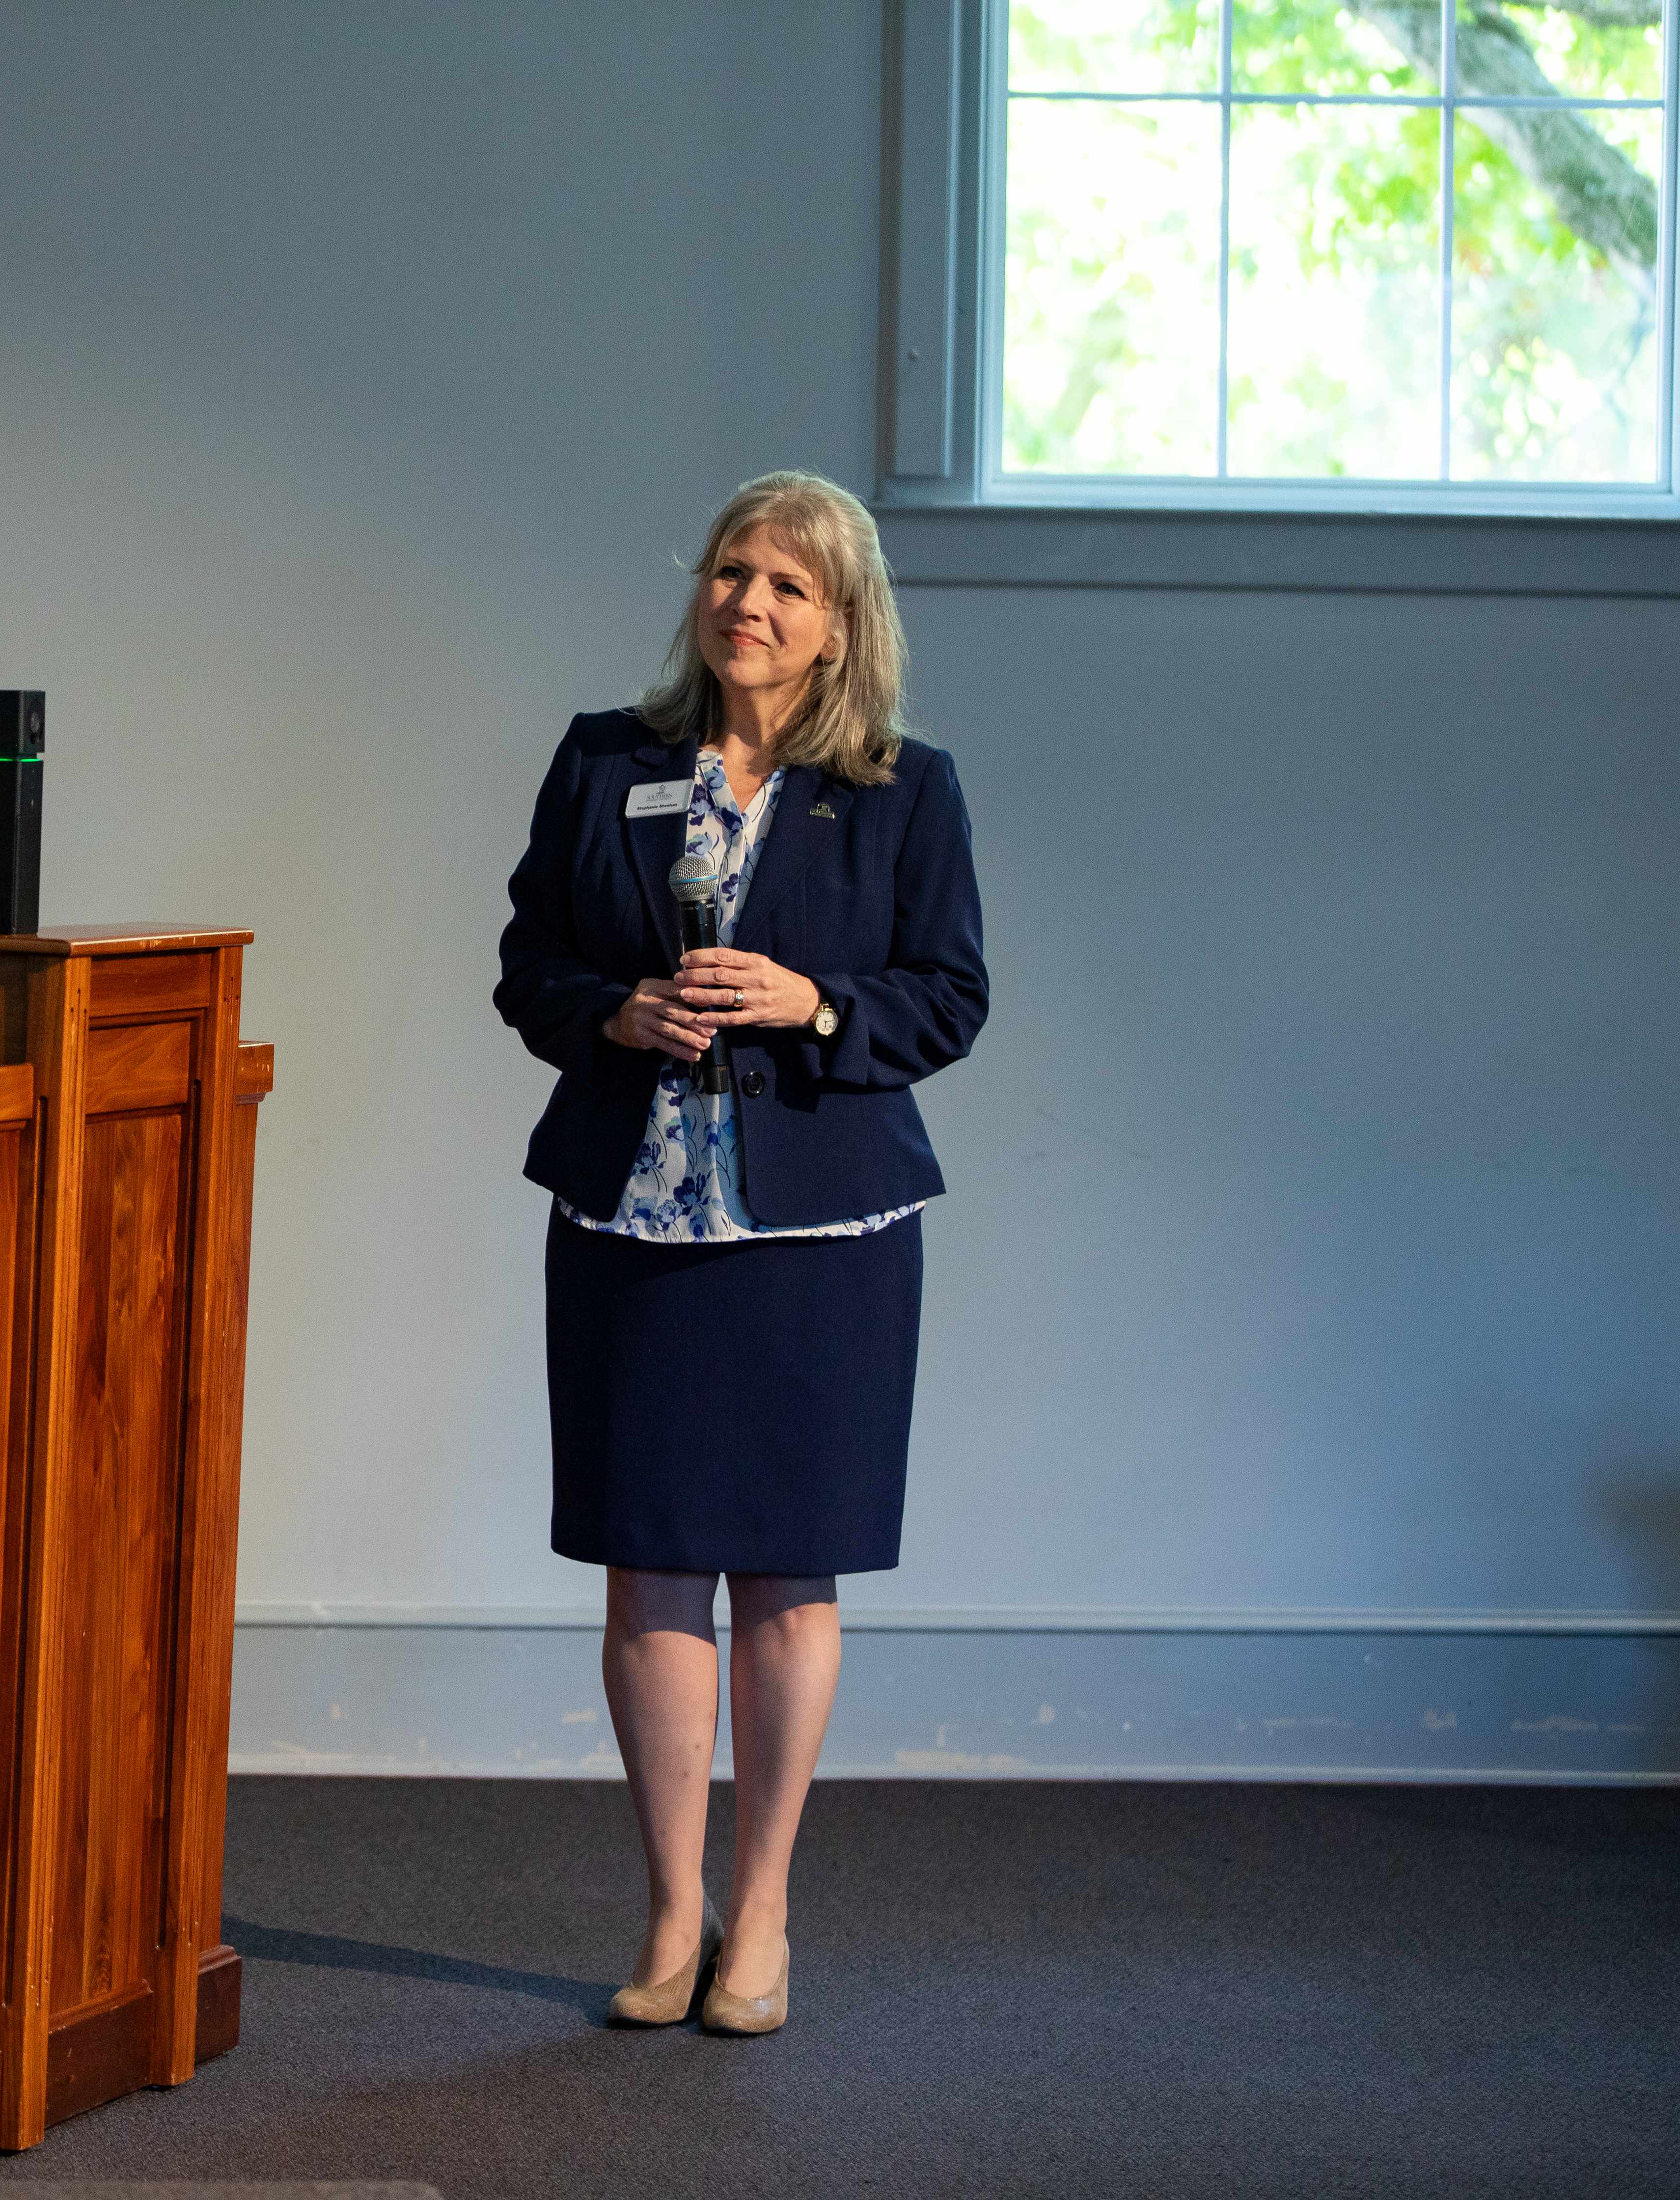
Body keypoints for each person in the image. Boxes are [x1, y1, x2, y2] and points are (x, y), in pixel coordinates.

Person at [494, 470, 987, 2036]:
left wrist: (820, 1007)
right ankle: (667, 1913)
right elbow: (530, 962)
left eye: (786, 583)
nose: (747, 603)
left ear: (841, 627)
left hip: (821, 1231)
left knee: (787, 1567)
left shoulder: (907, 789)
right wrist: (612, 1012)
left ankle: (762, 1913)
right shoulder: (605, 762)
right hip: (634, 1212)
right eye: (729, 571)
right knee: (650, 1565)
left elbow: (953, 994)